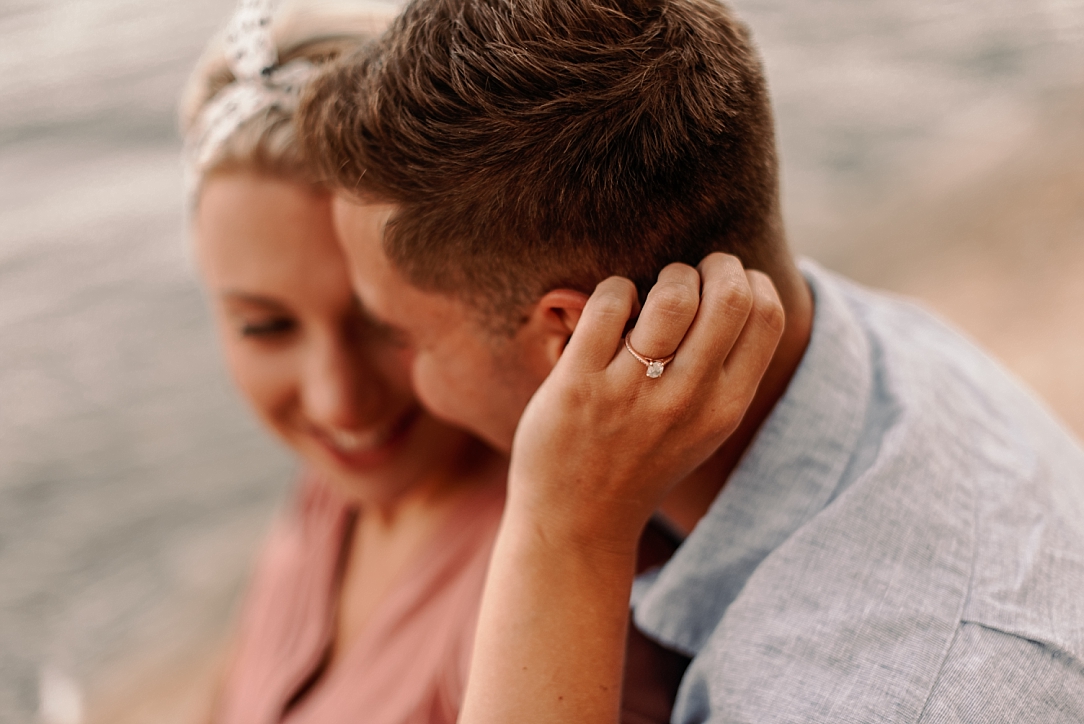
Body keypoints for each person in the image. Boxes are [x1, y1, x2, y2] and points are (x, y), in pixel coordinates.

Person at [297, 0, 1084, 721]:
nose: (390, 383)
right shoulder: (866, 338)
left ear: (574, 339)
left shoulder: (876, 695)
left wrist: (561, 531)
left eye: (403, 336)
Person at [179, 2, 510, 722]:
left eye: (384, 324)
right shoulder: (340, 486)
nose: (338, 402)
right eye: (265, 326)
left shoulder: (538, 593)